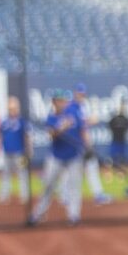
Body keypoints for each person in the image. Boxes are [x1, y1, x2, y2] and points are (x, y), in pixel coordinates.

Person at [30, 90, 84, 224]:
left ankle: (74, 216)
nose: (63, 103)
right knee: (48, 185)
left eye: (65, 100)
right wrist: (62, 127)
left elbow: (82, 130)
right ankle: (38, 214)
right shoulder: (51, 117)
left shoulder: (74, 113)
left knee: (74, 186)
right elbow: (52, 135)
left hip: (74, 155)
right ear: (54, 102)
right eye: (60, 100)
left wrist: (86, 147)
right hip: (56, 156)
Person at [69, 83, 112, 205]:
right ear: (75, 93)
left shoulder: (81, 106)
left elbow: (83, 124)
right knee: (70, 171)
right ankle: (66, 196)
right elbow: (81, 126)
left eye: (83, 93)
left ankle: (98, 194)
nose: (81, 95)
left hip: (81, 144)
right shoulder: (73, 107)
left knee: (91, 167)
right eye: (80, 93)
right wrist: (88, 144)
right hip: (77, 145)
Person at [0, 96, 30, 204]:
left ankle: (25, 196)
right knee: (5, 175)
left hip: (20, 153)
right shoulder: (4, 121)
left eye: (14, 108)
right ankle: (4, 196)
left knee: (22, 174)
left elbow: (27, 136)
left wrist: (29, 150)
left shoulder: (22, 121)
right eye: (10, 108)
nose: (12, 111)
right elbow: (0, 135)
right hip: (7, 152)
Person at [107, 101, 128, 170]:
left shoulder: (125, 119)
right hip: (115, 140)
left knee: (122, 158)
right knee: (112, 157)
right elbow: (109, 125)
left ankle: (121, 171)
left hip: (122, 140)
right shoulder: (114, 119)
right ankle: (111, 171)